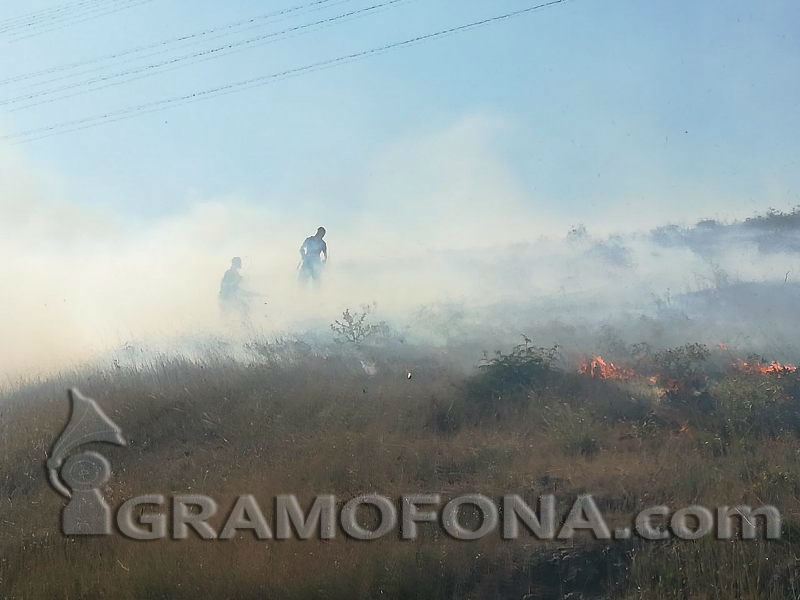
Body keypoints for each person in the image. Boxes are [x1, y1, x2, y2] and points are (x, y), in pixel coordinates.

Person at [219, 256, 250, 324]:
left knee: (245, 308)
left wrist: (250, 293)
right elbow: (225, 285)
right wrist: (236, 281)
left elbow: (236, 288)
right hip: (226, 298)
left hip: (229, 298)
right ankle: (244, 325)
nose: (240, 264)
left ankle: (243, 325)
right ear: (235, 263)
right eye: (239, 262)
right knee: (244, 308)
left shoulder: (235, 273)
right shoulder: (229, 272)